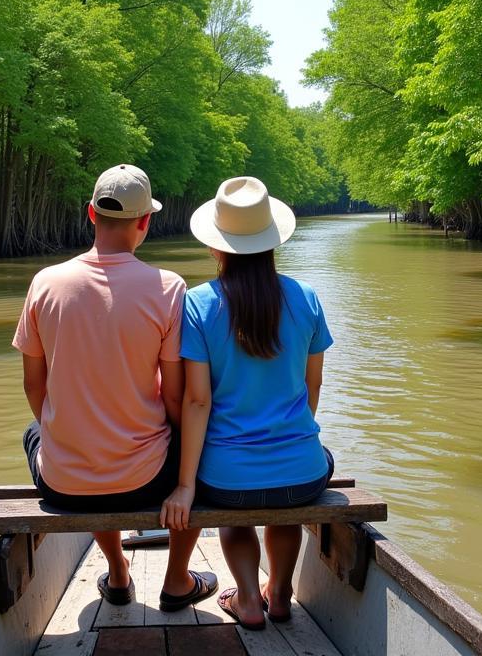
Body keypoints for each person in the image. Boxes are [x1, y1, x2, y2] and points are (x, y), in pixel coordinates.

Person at [13, 164, 216, 611]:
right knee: (199, 448)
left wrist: (65, 426)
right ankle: (178, 580)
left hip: (63, 484)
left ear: (90, 213)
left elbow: (33, 385)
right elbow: (174, 397)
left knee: (34, 432)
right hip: (146, 479)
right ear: (145, 222)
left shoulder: (44, 283)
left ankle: (119, 572)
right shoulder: (168, 287)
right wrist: (187, 446)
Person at [160, 176, 334, 631]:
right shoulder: (307, 297)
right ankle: (280, 593)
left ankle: (249, 600)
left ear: (216, 246)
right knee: (288, 502)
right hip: (302, 474)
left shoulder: (197, 304)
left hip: (226, 479)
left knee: (236, 514)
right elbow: (312, 389)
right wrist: (287, 441)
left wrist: (184, 486)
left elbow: (197, 402)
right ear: (272, 240)